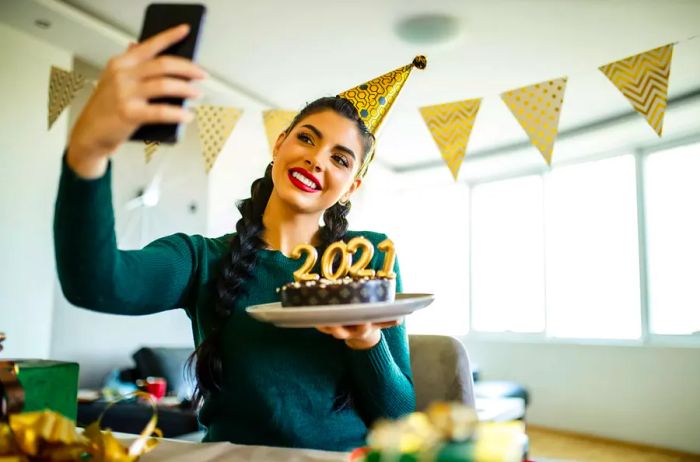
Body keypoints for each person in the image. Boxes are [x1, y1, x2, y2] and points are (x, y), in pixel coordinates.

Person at [54, 24, 424, 451]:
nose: (315, 159)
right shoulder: (201, 260)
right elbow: (96, 284)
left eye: (340, 159)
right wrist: (89, 152)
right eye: (306, 138)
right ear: (280, 144)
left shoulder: (369, 259)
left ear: (352, 187)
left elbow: (400, 421)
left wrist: (367, 340)